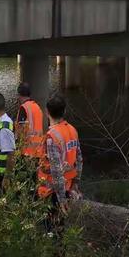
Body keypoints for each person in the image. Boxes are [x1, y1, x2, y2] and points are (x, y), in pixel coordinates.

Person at [37, 94, 83, 226]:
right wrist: (75, 183)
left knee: (50, 228)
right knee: (61, 227)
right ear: (64, 111)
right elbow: (79, 160)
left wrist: (61, 200)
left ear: (47, 112)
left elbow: (56, 170)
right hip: (68, 187)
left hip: (52, 193)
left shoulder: (52, 136)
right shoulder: (72, 130)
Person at [15, 82, 44, 158]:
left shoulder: (23, 108)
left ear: (19, 95)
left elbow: (20, 131)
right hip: (39, 150)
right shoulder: (37, 107)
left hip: (27, 152)